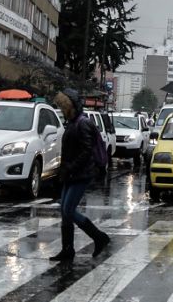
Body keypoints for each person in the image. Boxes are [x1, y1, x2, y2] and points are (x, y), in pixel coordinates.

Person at [50, 92, 110, 261]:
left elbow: (86, 151)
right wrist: (63, 171)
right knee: (64, 210)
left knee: (68, 210)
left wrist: (70, 167)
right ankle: (67, 249)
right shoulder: (72, 123)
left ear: (72, 106)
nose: (62, 110)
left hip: (81, 174)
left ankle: (99, 237)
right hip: (70, 174)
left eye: (64, 107)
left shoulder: (83, 124)